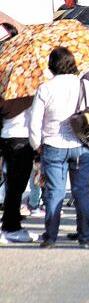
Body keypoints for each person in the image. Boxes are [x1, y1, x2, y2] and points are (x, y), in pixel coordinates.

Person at [29, 47, 89, 248]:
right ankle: (85, 237)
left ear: (51, 65)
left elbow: (35, 122)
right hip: (80, 145)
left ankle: (50, 237)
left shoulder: (45, 88)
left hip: (53, 145)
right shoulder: (85, 86)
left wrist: (37, 144)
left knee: (54, 192)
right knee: (82, 191)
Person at [0, 96, 36, 244]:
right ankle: (11, 227)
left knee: (11, 185)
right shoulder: (29, 96)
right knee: (16, 186)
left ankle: (10, 224)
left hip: (6, 136)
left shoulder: (6, 93)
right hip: (22, 138)